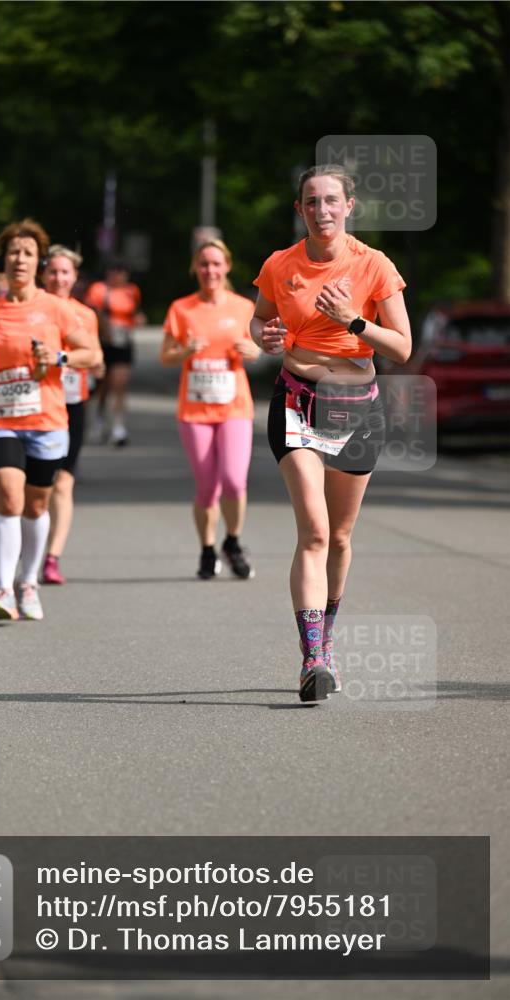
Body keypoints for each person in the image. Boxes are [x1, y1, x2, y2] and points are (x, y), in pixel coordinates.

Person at [251, 164, 411, 703]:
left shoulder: (374, 265)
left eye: (331, 201)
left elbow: (403, 348)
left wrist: (352, 320)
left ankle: (328, 635)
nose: (321, 211)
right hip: (298, 399)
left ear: (349, 206)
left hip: (357, 406)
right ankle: (313, 657)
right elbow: (259, 321)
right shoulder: (280, 264)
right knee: (314, 532)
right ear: (299, 210)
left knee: (340, 537)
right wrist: (267, 337)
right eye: (311, 202)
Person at [0, 219, 98, 621]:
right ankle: (3, 591)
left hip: (48, 420)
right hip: (0, 417)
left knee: (36, 506)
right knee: (8, 497)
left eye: (29, 253)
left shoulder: (56, 308)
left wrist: (58, 359)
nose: (20, 259)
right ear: (5, 259)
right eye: (15, 252)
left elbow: (92, 355)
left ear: (39, 263)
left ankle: (29, 583)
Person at [161, 239, 260, 580]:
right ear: (195, 268)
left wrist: (250, 348)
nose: (210, 271)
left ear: (227, 266)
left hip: (234, 407)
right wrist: (185, 350)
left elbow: (259, 349)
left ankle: (231, 542)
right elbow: (166, 355)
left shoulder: (243, 307)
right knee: (207, 487)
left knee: (234, 481)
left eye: (216, 264)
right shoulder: (182, 309)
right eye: (204, 264)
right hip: (195, 410)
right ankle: (206, 548)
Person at [41, 245, 103, 585]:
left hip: (72, 403)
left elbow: (94, 356)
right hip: (35, 405)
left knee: (63, 482)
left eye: (65, 272)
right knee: (35, 484)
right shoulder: (31, 310)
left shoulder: (85, 315)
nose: (59, 278)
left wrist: (92, 362)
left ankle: (52, 557)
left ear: (74, 277)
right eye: (53, 271)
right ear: (44, 275)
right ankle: (30, 545)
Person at [85, 259, 145, 446]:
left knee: (120, 384)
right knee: (102, 387)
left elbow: (134, 312)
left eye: (122, 271)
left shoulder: (131, 291)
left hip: (123, 342)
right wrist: (105, 329)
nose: (118, 275)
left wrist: (137, 320)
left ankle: (118, 427)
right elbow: (92, 312)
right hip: (103, 343)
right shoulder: (98, 289)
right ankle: (99, 418)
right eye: (115, 270)